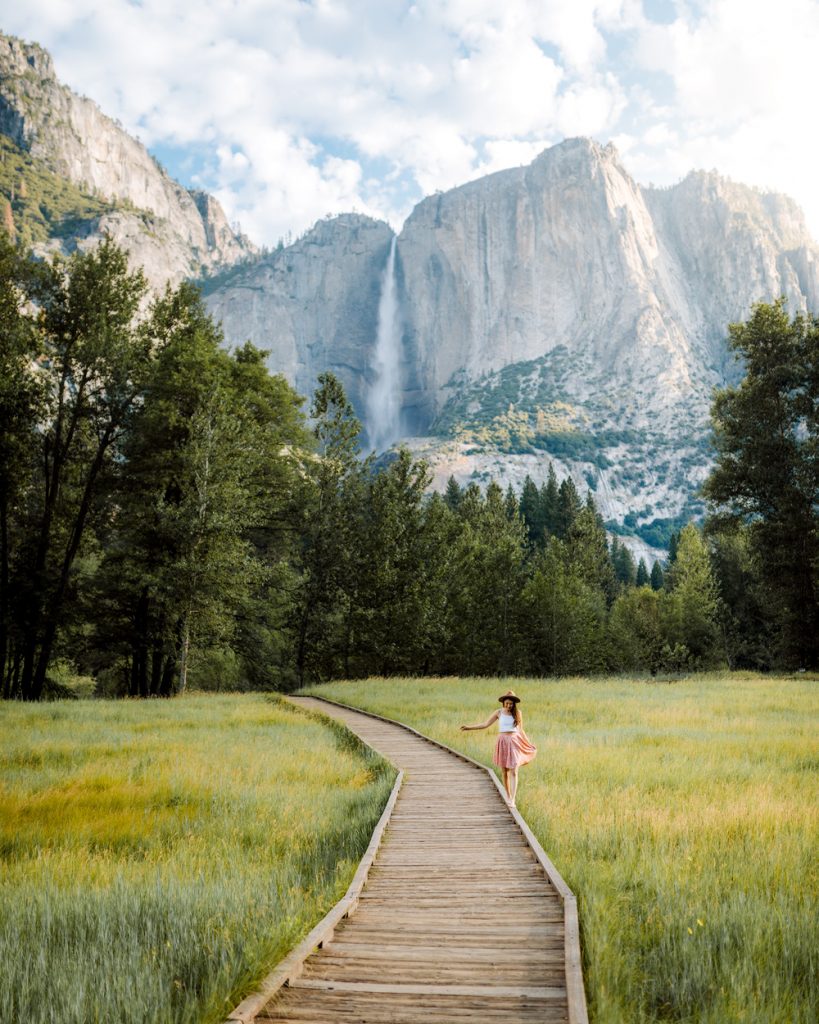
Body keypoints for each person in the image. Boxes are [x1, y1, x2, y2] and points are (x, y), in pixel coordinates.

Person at [460, 690, 536, 807]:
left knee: (514, 770)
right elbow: (485, 724)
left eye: (511, 703)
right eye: (507, 703)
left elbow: (521, 730)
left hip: (514, 741)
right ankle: (508, 795)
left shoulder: (518, 713)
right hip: (502, 741)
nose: (509, 705)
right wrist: (469, 727)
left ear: (514, 703)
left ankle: (513, 800)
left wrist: (529, 743)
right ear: (503, 702)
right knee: (504, 771)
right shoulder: (499, 712)